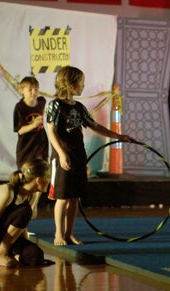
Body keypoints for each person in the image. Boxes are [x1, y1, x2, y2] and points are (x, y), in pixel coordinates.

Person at [46, 66, 135, 246]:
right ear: (70, 84)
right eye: (81, 82)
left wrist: (118, 136)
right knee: (62, 197)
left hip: (78, 154)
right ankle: (58, 233)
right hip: (63, 156)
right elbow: (51, 131)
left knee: (74, 197)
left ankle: (69, 233)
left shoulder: (79, 107)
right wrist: (62, 154)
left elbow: (94, 126)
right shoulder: (55, 105)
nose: (83, 86)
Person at [0, 159, 50, 272]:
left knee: (35, 255)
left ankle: (2, 254)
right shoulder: (7, 192)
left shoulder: (31, 195)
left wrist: (24, 246)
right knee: (25, 211)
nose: (50, 182)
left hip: (2, 236)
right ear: (38, 180)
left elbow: (21, 226)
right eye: (48, 178)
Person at [13, 76, 48, 219]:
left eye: (36, 89)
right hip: (26, 145)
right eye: (30, 90)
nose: (34, 92)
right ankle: (21, 205)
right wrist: (33, 125)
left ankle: (33, 205)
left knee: (40, 173)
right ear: (22, 91)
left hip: (40, 143)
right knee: (26, 175)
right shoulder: (20, 107)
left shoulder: (42, 102)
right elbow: (20, 130)